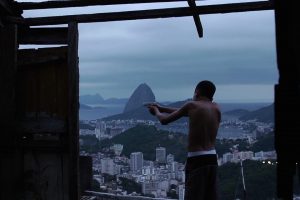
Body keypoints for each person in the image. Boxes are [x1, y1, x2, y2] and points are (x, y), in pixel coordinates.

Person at [147, 80, 221, 200]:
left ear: (196, 92)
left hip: (197, 159)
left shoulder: (192, 105)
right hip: (212, 159)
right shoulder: (216, 108)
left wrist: (156, 111)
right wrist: (162, 107)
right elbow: (184, 112)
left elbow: (164, 121)